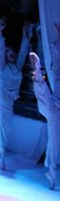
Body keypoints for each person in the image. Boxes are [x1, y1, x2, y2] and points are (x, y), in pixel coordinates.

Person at [0, 19, 30, 170]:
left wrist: (25, 35)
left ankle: (0, 148)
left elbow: (23, 53)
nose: (12, 53)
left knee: (6, 125)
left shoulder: (16, 67)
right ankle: (2, 154)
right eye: (8, 52)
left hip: (8, 99)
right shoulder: (1, 66)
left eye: (12, 52)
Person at [28, 52, 60, 189]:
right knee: (54, 138)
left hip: (55, 106)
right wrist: (37, 67)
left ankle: (51, 170)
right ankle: (52, 171)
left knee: (54, 139)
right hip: (51, 106)